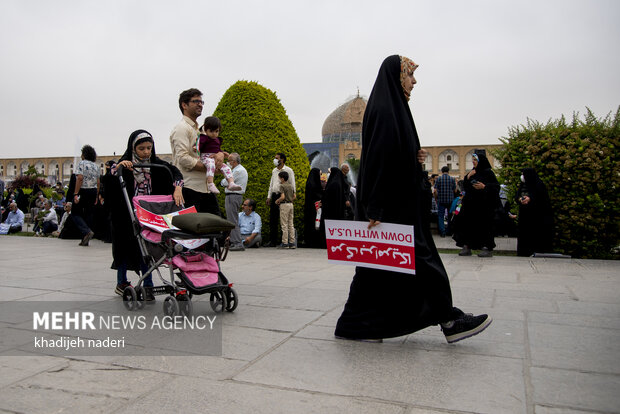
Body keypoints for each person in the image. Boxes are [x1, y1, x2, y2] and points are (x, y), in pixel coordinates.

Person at [334, 55, 491, 343]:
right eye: (410, 75)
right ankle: (448, 318)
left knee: (375, 271)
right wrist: (376, 208)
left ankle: (355, 325)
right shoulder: (384, 110)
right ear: (397, 77)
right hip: (391, 208)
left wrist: (414, 158)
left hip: (399, 204)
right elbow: (380, 161)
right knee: (419, 263)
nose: (414, 81)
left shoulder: (394, 109)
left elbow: (393, 157)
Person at [104, 129, 184, 300]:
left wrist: (177, 187)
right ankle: (122, 282)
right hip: (126, 214)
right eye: (142, 149)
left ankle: (148, 283)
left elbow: (176, 173)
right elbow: (111, 175)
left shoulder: (156, 164)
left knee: (145, 247)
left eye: (149, 148)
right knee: (124, 247)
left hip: (148, 213)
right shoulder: (124, 164)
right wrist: (119, 167)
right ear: (133, 148)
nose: (146, 152)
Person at [170, 88, 221, 215]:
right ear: (184, 105)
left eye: (201, 102)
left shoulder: (202, 131)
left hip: (206, 190)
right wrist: (208, 167)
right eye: (196, 101)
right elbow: (183, 158)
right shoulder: (181, 128)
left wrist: (219, 154)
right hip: (189, 189)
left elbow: (212, 150)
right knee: (192, 232)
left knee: (218, 229)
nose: (200, 104)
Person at [452, 152, 500, 257]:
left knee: (484, 227)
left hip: (484, 206)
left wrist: (484, 187)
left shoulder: (488, 173)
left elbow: (496, 187)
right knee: (467, 226)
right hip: (470, 205)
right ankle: (467, 246)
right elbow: (465, 186)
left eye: (475, 160)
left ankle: (486, 247)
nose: (473, 162)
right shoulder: (472, 172)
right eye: (472, 160)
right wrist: (467, 177)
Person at [197, 116, 242, 195]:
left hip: (214, 158)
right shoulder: (204, 138)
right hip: (206, 157)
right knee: (211, 165)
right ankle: (210, 183)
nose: (214, 134)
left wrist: (223, 153)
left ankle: (231, 182)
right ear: (206, 129)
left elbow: (217, 149)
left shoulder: (217, 140)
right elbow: (199, 145)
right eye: (211, 131)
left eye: (217, 131)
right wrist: (196, 148)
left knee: (226, 167)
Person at [516, 167, 554, 256]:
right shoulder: (523, 185)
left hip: (536, 215)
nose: (522, 177)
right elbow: (517, 195)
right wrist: (520, 199)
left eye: (523, 174)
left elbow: (542, 198)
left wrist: (530, 199)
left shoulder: (538, 184)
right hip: (524, 214)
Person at [265, 153, 295, 246]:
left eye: (276, 158)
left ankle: (285, 241)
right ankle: (273, 241)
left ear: (282, 159)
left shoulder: (288, 170)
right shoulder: (274, 170)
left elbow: (292, 183)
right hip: (275, 195)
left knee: (285, 220)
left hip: (284, 196)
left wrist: (293, 195)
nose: (275, 160)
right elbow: (271, 184)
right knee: (273, 218)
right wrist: (269, 196)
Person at [72, 144, 99, 246]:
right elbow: (98, 181)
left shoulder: (82, 164)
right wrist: (96, 195)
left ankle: (86, 231)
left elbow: (79, 178)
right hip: (93, 191)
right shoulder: (95, 166)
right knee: (88, 214)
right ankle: (85, 239)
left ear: (84, 154)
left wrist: (76, 193)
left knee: (75, 213)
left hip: (83, 191)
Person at [221, 152, 248, 251]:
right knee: (232, 219)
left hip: (233, 195)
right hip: (234, 196)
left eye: (229, 160)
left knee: (232, 220)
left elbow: (224, 182)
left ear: (234, 161)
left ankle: (237, 242)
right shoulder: (238, 170)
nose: (228, 162)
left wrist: (225, 182)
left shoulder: (237, 171)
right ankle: (234, 241)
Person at [303, 168, 325, 248]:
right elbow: (316, 194)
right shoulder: (314, 184)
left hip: (310, 207)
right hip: (314, 208)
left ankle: (309, 241)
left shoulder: (309, 182)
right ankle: (314, 242)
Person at [275, 171, 296, 249]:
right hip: (291, 204)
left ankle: (285, 243)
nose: (279, 179)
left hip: (284, 205)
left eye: (279, 178)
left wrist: (277, 201)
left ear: (282, 178)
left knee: (284, 224)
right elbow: (294, 196)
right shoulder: (291, 186)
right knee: (291, 224)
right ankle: (292, 242)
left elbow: (282, 197)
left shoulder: (282, 186)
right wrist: (290, 199)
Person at [434, 166, 456, 237]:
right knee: (450, 216)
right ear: (448, 171)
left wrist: (436, 198)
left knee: (441, 216)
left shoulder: (438, 179)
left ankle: (442, 232)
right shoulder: (452, 179)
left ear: (442, 171)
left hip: (441, 200)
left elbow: (435, 190)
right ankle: (449, 231)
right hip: (450, 200)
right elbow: (455, 190)